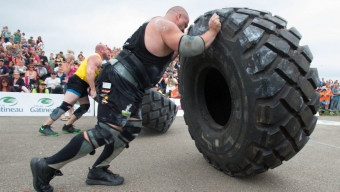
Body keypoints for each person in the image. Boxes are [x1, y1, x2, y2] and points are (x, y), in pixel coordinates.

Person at [30, 6, 221, 191]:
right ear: (178, 16)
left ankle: (98, 170)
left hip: (133, 87)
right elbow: (192, 45)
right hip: (120, 80)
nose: (184, 29)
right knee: (106, 131)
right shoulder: (163, 24)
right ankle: (46, 166)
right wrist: (212, 30)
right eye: (184, 24)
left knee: (131, 128)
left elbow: (170, 54)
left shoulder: (163, 37)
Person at [37, 44, 109, 137]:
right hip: (77, 82)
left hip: (83, 83)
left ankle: (68, 126)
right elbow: (89, 72)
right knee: (66, 105)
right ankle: (45, 126)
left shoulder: (100, 61)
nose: (109, 51)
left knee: (85, 106)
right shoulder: (96, 57)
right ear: (101, 50)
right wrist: (93, 90)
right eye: (107, 49)